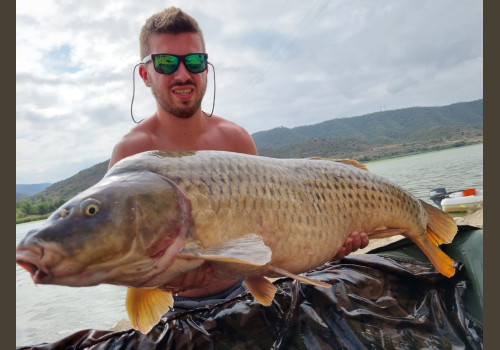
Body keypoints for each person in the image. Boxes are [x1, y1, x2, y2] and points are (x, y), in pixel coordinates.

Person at [109, 7, 368, 306]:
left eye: (194, 61)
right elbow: (119, 254)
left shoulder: (235, 140)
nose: (183, 74)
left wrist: (327, 245)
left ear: (206, 68)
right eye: (166, 63)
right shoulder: (130, 153)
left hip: (242, 294)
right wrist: (166, 282)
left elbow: (268, 246)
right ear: (145, 74)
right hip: (172, 307)